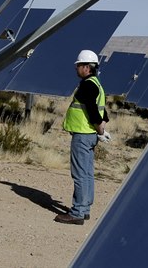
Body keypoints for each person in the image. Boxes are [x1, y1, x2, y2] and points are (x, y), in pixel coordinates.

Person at [54, 50, 111, 225]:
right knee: (86, 174)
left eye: (78, 65)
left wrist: (100, 130)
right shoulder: (96, 84)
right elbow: (102, 110)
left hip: (83, 134)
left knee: (79, 174)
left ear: (87, 67)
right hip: (89, 134)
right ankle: (84, 209)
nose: (76, 69)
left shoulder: (87, 85)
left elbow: (94, 111)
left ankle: (77, 212)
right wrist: (102, 128)